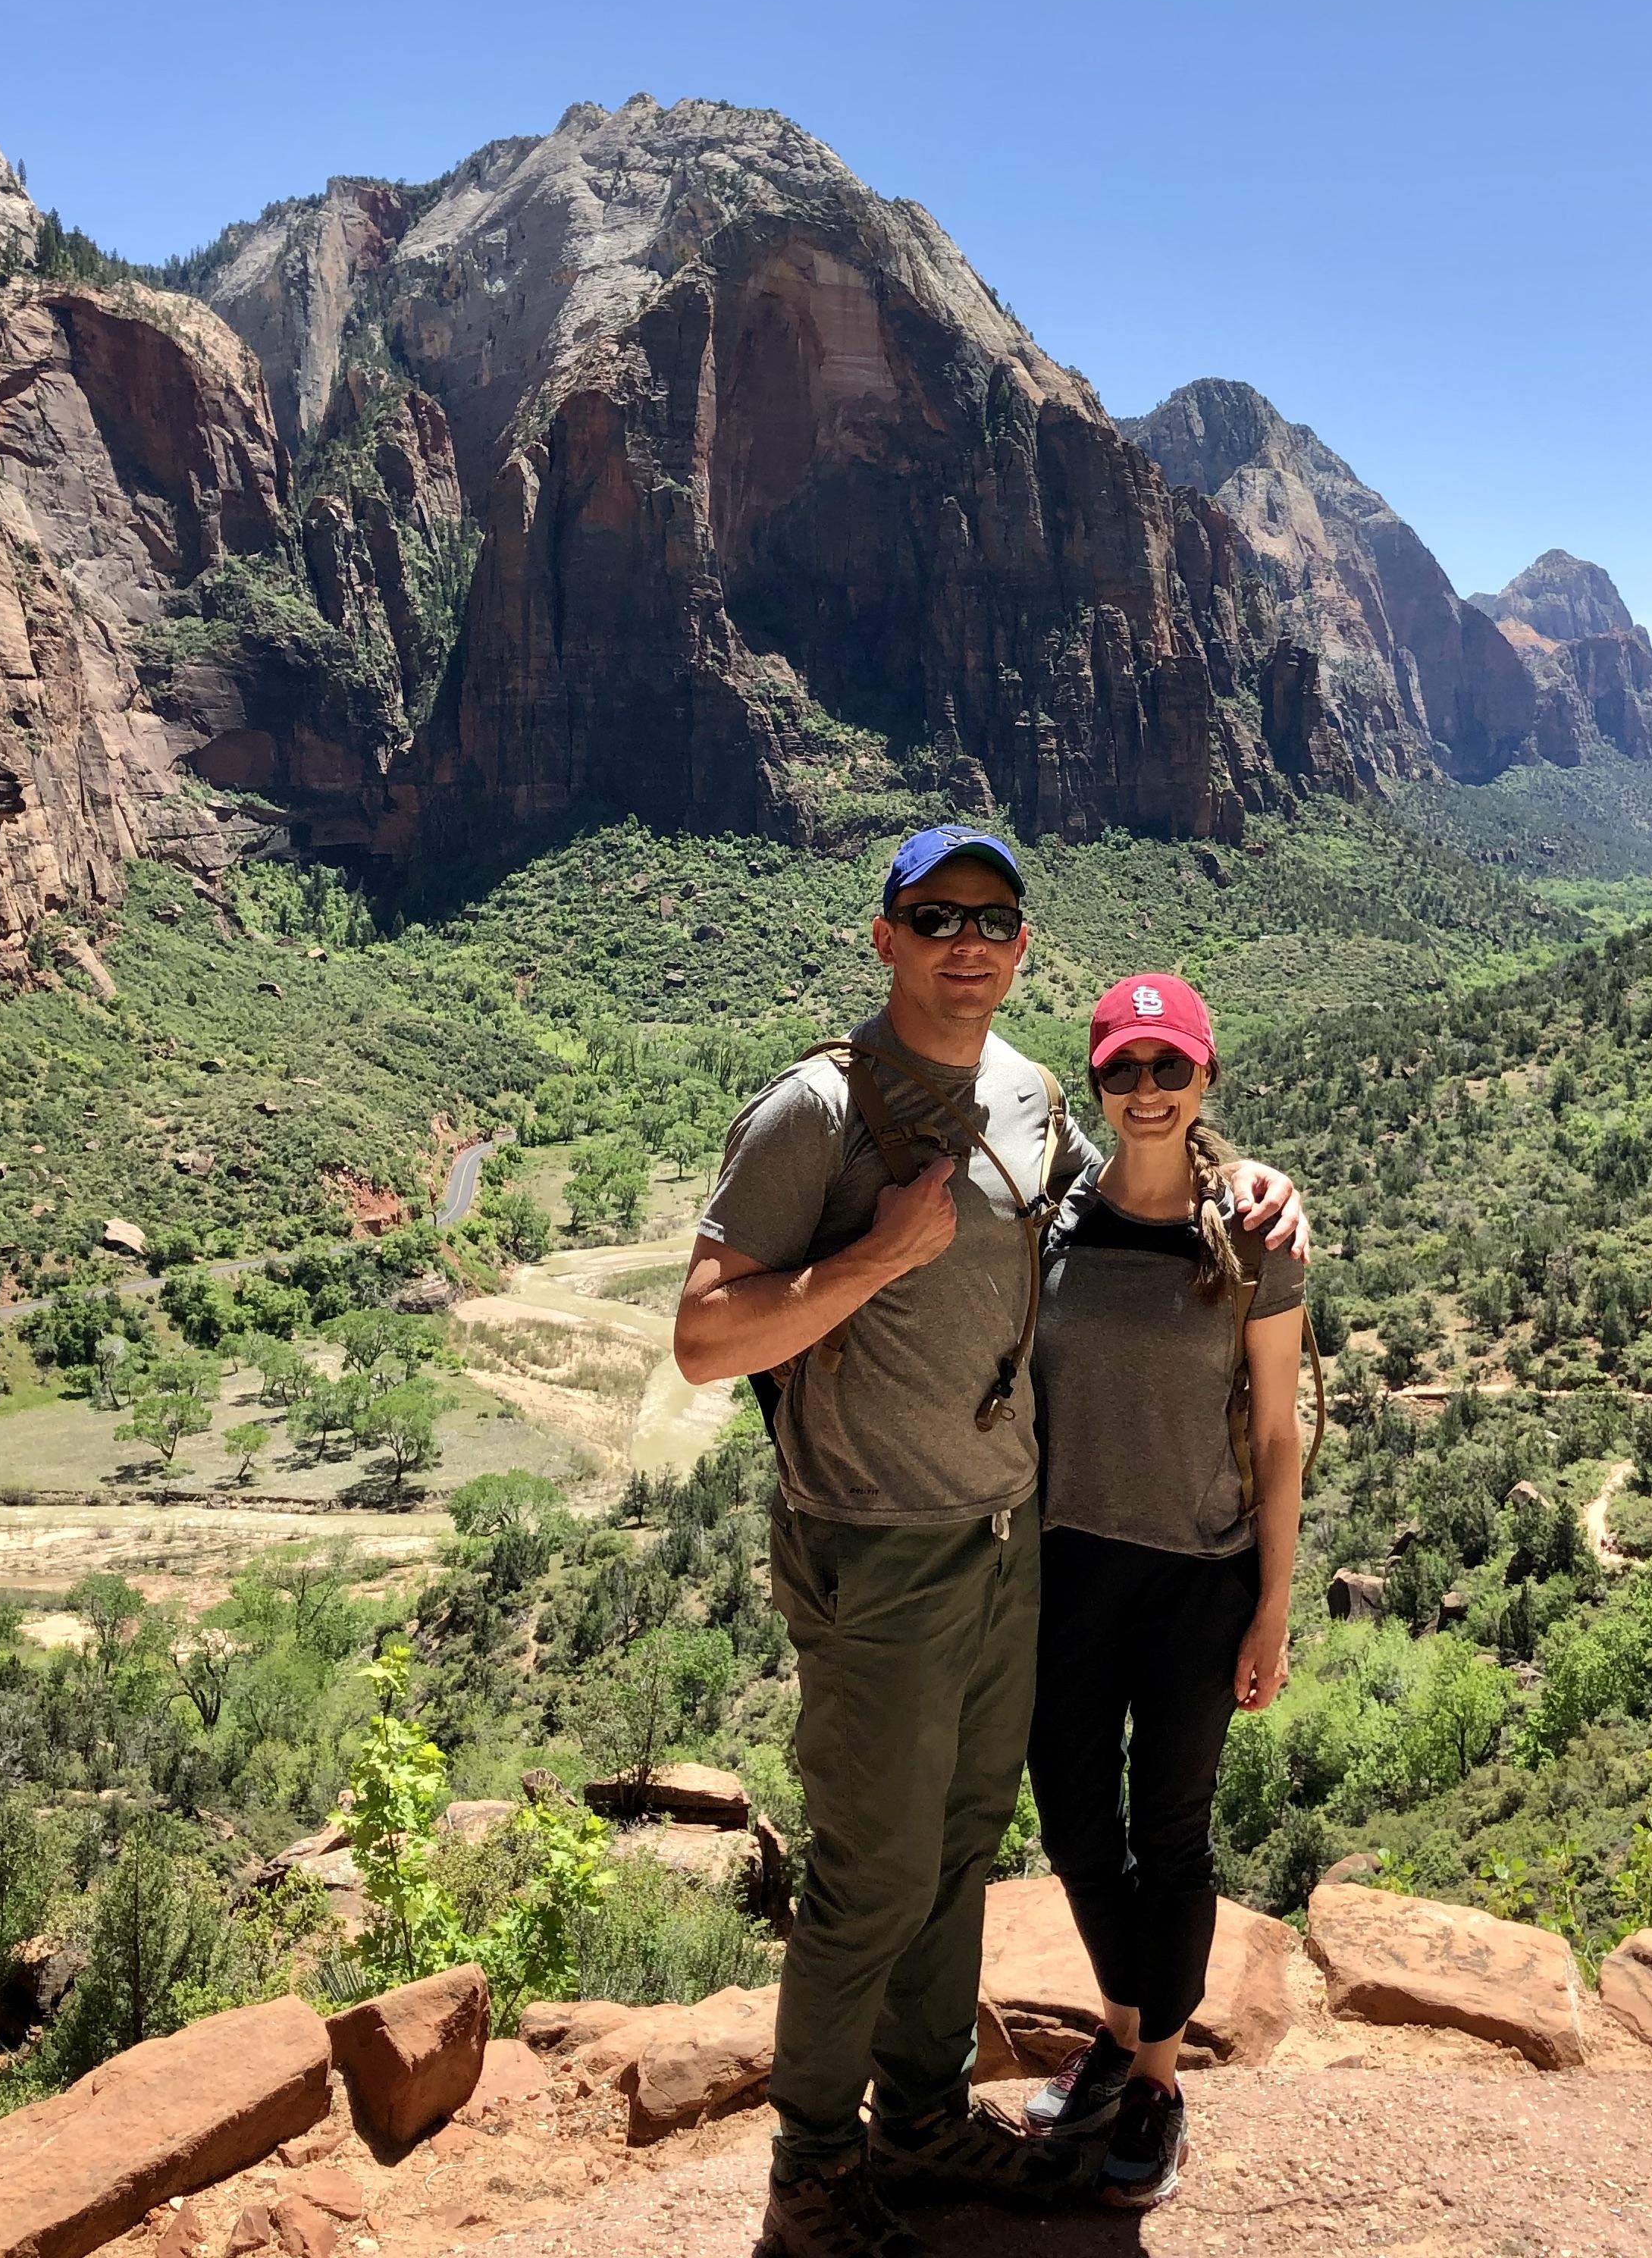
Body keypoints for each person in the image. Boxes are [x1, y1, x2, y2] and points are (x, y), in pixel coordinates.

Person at [673, 827, 1306, 2258]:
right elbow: (706, 1339)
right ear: (884, 935)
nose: (969, 939)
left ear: (1023, 948)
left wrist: (1263, 1184)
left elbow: (1150, 1183)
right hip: (875, 1541)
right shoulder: (816, 1113)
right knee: (871, 1872)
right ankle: (814, 2176)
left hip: (1012, 1539)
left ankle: (922, 2113)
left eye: (996, 919)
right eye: (938, 914)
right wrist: (876, 1259)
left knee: (962, 1845)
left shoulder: (1030, 1096)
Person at [1019, 972, 1307, 2210]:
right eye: (1123, 1070)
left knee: (1169, 1834)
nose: (1146, 1091)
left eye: (1168, 1069)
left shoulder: (1254, 1235)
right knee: (1076, 1825)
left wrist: (1273, 1607)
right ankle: (1123, 2023)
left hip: (1201, 1572)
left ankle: (1156, 2079)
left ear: (1206, 1079)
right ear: (1096, 1084)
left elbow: (1282, 1434)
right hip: (1069, 1562)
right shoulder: (1051, 1219)